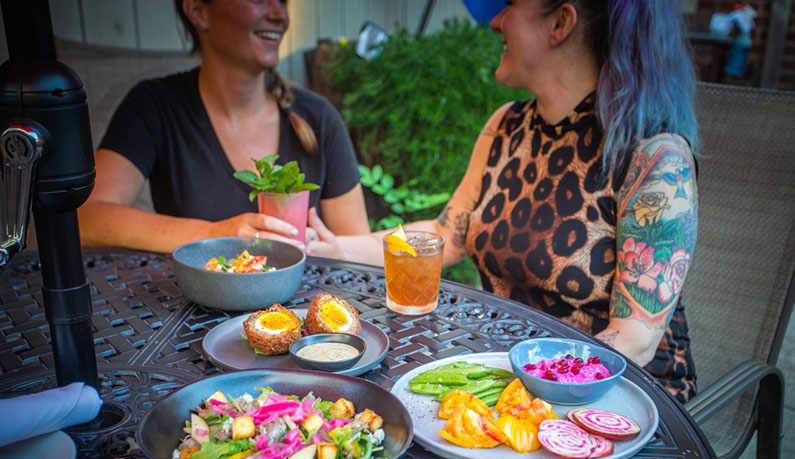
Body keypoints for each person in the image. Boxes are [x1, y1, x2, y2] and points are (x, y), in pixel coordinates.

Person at [307, 0, 699, 403]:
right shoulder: (507, 126)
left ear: (560, 23)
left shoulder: (655, 158)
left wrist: (522, 395)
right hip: (510, 376)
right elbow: (445, 235)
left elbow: (635, 340)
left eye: (509, 4)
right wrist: (333, 248)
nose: (495, 22)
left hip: (620, 398)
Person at [78, 0, 370, 253]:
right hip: (188, 313)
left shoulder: (318, 118)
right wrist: (215, 235)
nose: (280, 14)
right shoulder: (155, 106)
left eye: (281, 0)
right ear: (198, 11)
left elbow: (355, 251)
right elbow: (87, 219)